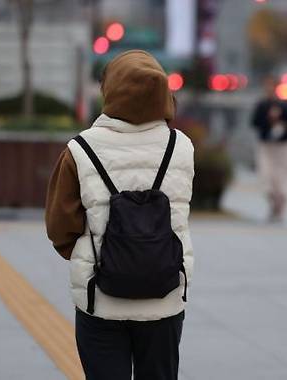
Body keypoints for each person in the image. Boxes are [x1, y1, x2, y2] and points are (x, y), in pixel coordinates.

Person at [45, 50, 194, 380]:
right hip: (165, 296)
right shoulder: (181, 147)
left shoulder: (79, 149)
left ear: (109, 89)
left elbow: (60, 227)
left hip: (100, 298)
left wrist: (94, 254)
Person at [251, 76, 287, 222]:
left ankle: (280, 204)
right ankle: (272, 200)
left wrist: (285, 126)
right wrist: (268, 121)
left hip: (284, 146)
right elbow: (255, 122)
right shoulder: (262, 105)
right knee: (265, 175)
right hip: (266, 145)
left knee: (282, 176)